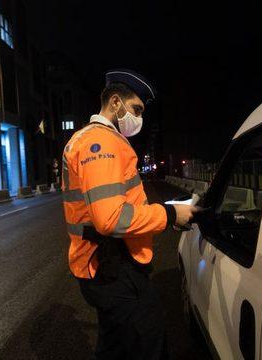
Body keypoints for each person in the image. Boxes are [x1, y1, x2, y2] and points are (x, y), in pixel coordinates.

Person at [61, 69, 197, 359]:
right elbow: (110, 218)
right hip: (113, 266)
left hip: (103, 262)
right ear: (114, 102)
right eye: (136, 109)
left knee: (114, 346)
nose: (139, 118)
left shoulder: (85, 139)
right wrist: (170, 215)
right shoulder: (101, 143)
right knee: (148, 342)